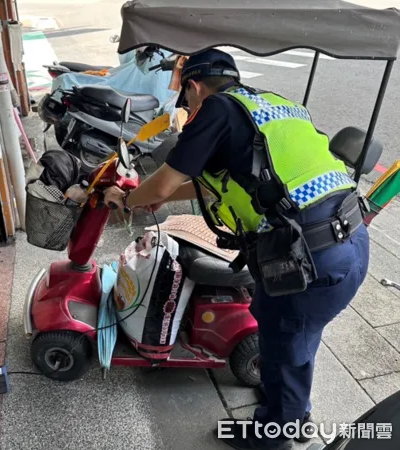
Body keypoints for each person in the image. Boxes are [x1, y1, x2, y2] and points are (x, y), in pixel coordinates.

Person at [104, 49, 369, 450]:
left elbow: (159, 184)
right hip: (349, 239)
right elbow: (232, 177)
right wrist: (164, 196)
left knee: (283, 340)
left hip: (308, 257)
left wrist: (127, 200)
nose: (188, 109)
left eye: (187, 100)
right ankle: (293, 411)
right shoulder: (271, 105)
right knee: (296, 336)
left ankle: (273, 434)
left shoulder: (214, 110)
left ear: (194, 87)